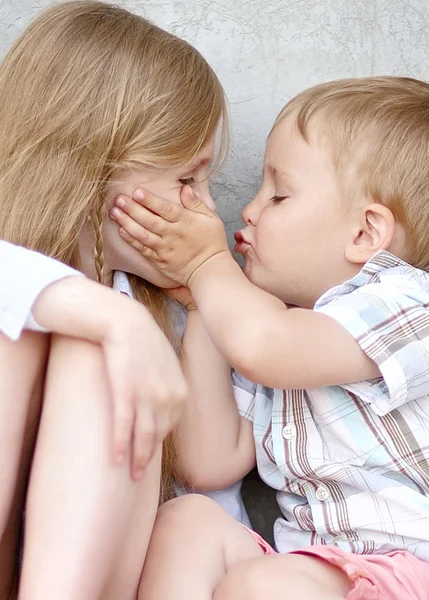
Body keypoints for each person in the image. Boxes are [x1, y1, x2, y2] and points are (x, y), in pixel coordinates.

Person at [111, 76, 429, 599]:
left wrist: (209, 265)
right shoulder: (275, 325)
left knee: (264, 585)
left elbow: (270, 348)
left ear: (365, 235)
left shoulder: (404, 303)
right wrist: (201, 303)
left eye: (278, 195)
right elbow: (209, 459)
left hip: (408, 572)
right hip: (310, 569)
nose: (249, 211)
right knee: (185, 520)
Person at [0, 2, 248, 598]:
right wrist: (111, 317)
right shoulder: (109, 315)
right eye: (187, 180)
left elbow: (209, 486)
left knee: (94, 355)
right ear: (89, 164)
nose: (207, 212)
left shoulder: (180, 310)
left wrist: (197, 301)